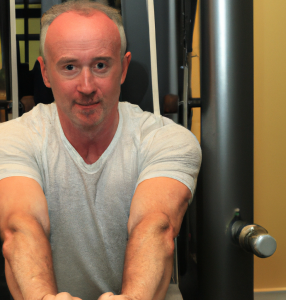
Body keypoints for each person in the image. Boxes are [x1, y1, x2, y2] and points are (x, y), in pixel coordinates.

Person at [0, 1, 201, 300]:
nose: (86, 85)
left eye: (100, 65)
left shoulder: (167, 140)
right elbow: (20, 226)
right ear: (44, 73)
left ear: (123, 68)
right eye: (69, 67)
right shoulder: (12, 138)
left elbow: (155, 226)